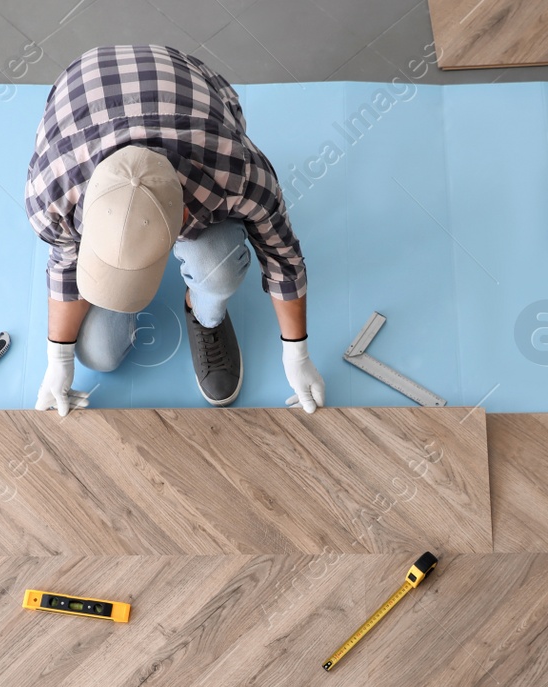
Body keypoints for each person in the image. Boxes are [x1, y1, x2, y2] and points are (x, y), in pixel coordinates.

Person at [25, 44, 326, 414]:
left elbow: (283, 256)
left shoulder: (237, 173)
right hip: (82, 82)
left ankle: (203, 312)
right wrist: (59, 359)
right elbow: (64, 266)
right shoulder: (53, 193)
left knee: (218, 268)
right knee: (98, 353)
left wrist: (297, 353)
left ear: (185, 219)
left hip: (188, 81)